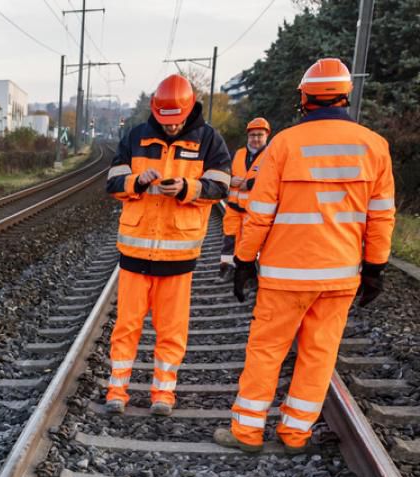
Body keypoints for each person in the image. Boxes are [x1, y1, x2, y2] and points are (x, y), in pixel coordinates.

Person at [215, 58, 396, 453]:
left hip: (286, 275)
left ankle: (246, 432)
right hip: (340, 277)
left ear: (305, 98)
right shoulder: (374, 147)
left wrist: (244, 262)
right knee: (318, 354)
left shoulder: (284, 145)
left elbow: (258, 215)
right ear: (346, 96)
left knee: (267, 351)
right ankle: (295, 433)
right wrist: (376, 268)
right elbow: (381, 217)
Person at [104, 74, 232, 416]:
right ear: (155, 112)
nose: (172, 128)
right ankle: (117, 390)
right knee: (126, 326)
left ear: (189, 110)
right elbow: (112, 181)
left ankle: (163, 394)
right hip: (134, 254)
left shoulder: (209, 140)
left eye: (177, 122)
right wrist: (135, 182)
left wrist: (190, 188)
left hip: (178, 256)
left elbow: (222, 186)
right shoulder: (135, 137)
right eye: (166, 122)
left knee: (172, 330)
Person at [220, 117, 271, 279]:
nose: (256, 139)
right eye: (253, 135)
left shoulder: (272, 155)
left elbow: (273, 178)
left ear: (266, 136)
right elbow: (223, 172)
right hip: (234, 208)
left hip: (254, 210)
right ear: (248, 136)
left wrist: (249, 184)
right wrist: (229, 179)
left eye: (259, 135)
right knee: (230, 240)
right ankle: (227, 269)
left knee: (252, 242)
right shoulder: (238, 153)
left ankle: (247, 273)